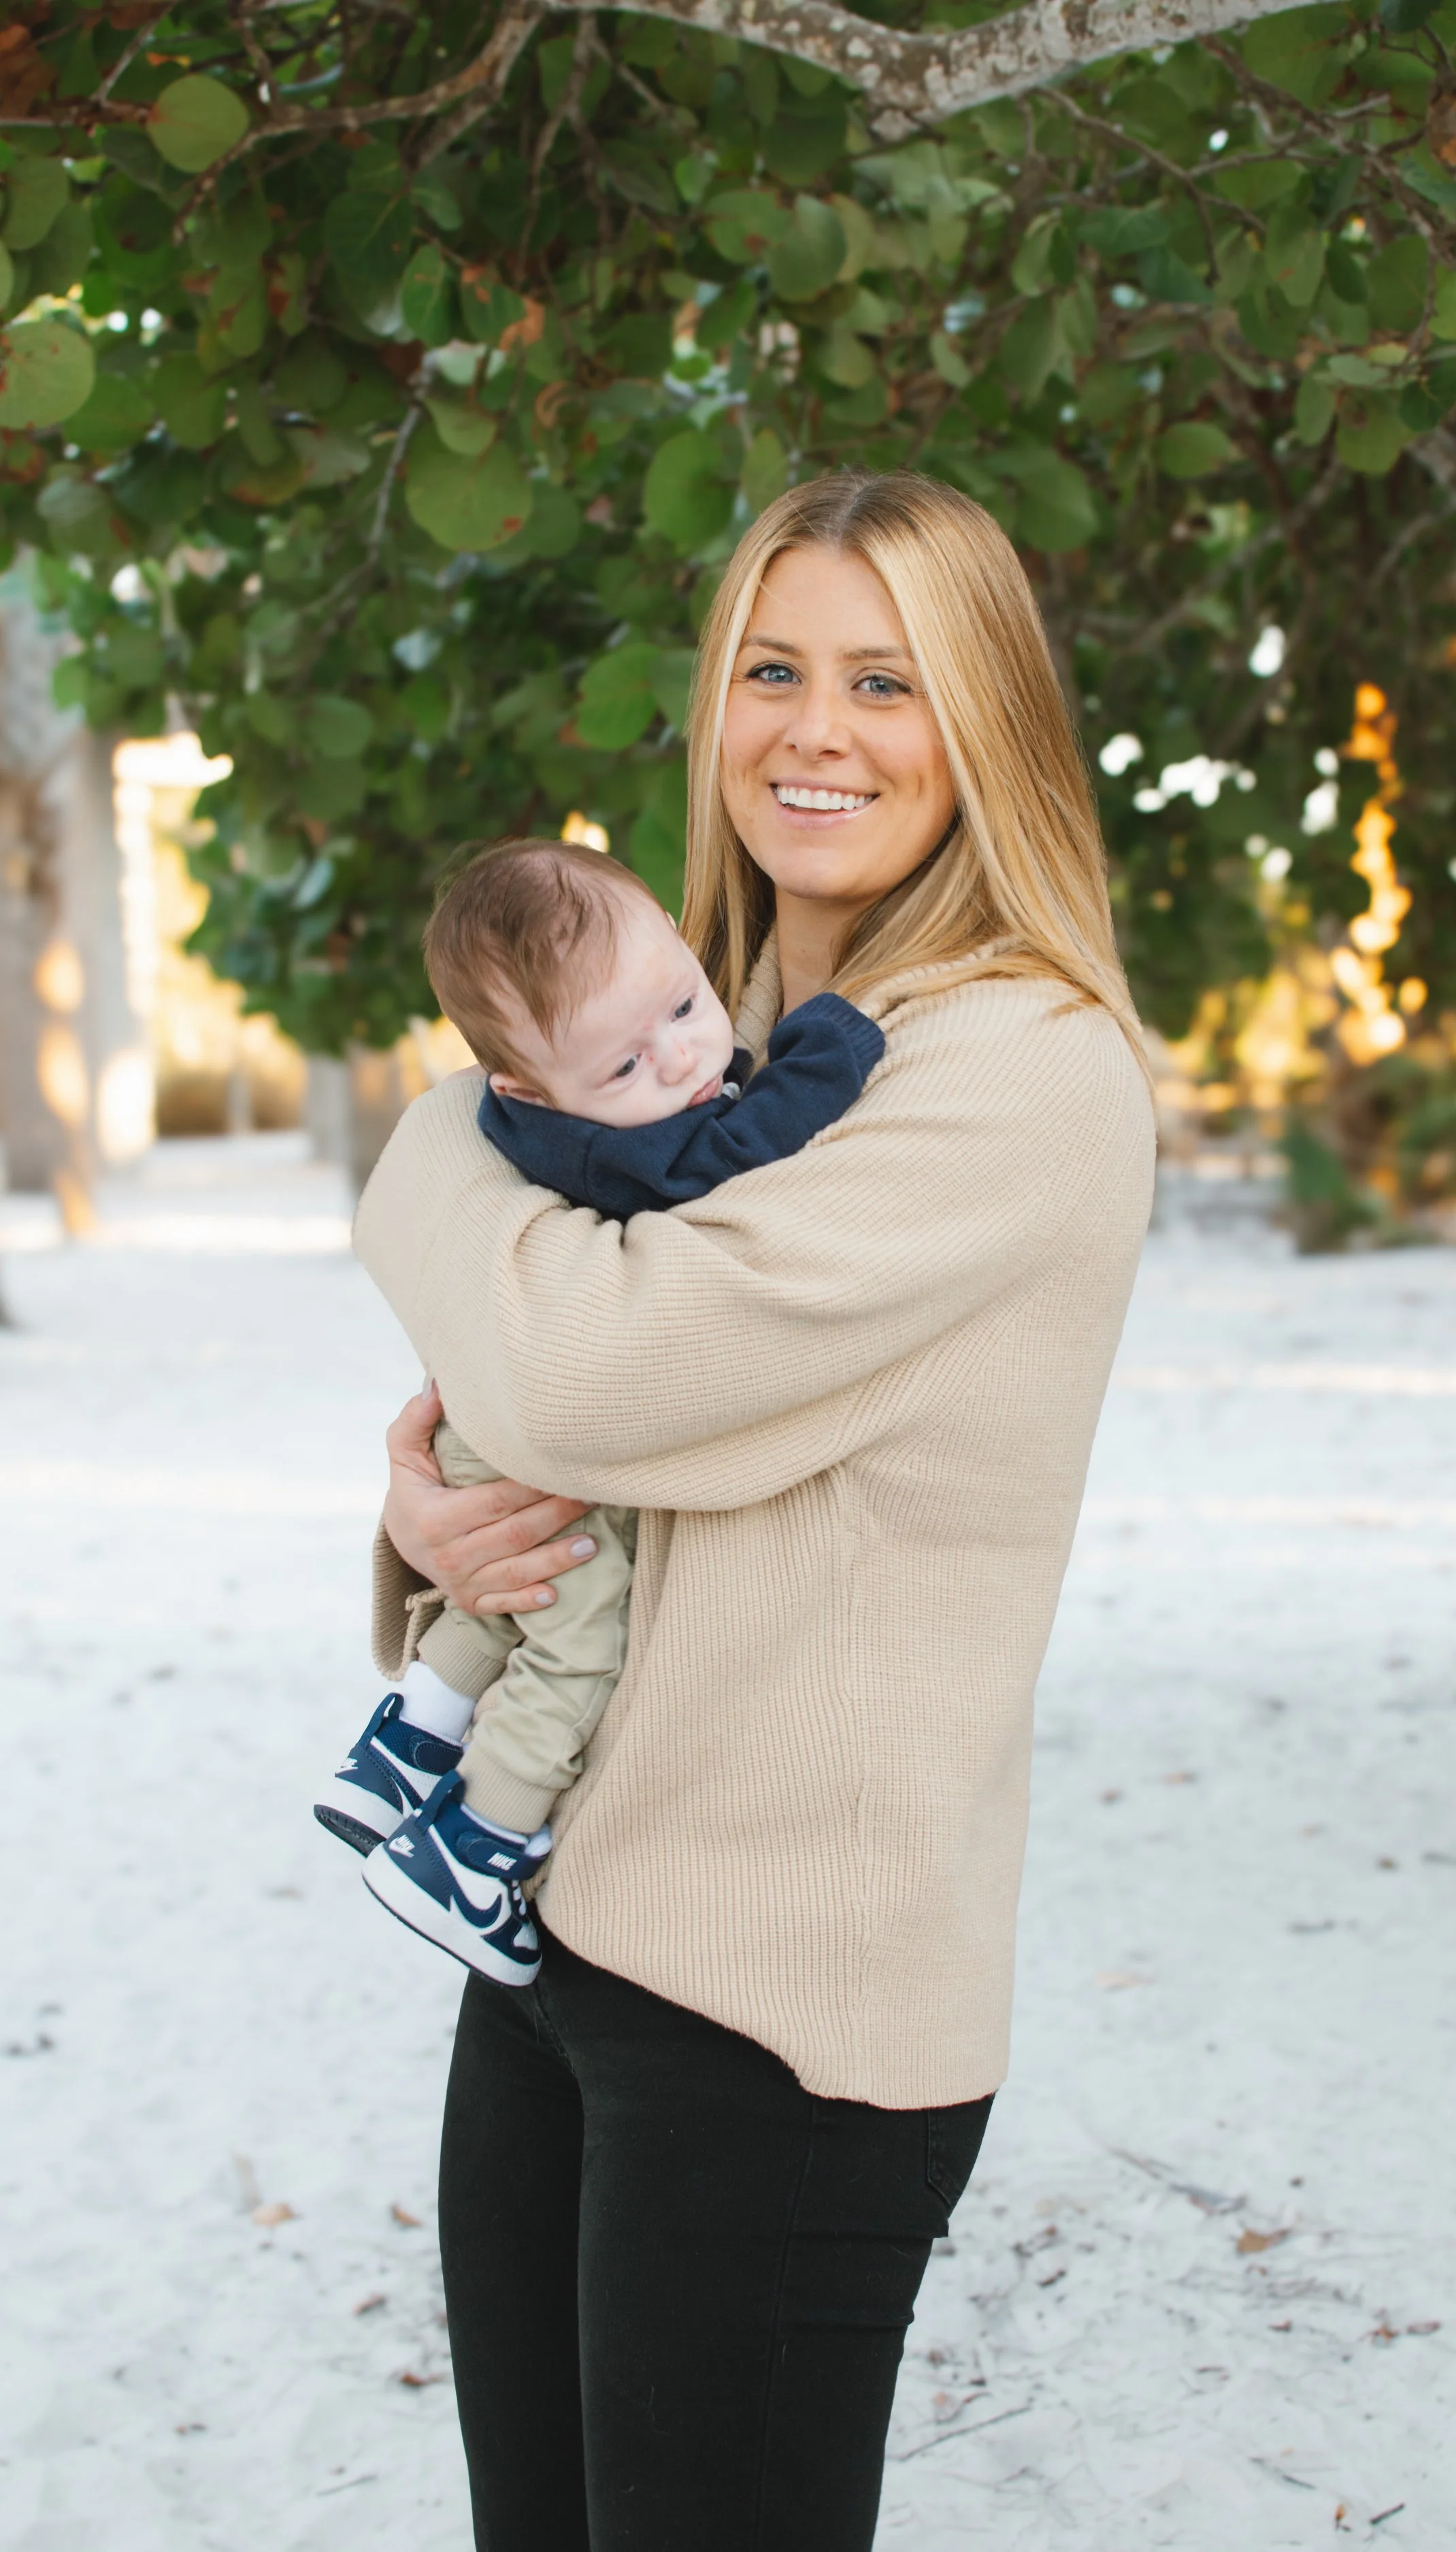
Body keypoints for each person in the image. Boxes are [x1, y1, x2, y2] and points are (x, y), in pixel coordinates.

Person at [354, 470, 1155, 2551]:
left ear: (986, 717)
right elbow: (550, 1415)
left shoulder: (1012, 1067)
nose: (819, 727)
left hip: (783, 2008)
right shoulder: (695, 1022)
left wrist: (435, 1139)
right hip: (562, 1940)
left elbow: (589, 1364)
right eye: (773, 668)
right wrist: (434, 1521)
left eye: (887, 677)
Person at [314, 834, 884, 1986]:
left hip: (489, 1420)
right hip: (529, 1422)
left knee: (529, 1591)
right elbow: (730, 1151)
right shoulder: (628, 1153)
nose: (679, 1064)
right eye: (624, 1067)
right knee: (579, 1635)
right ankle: (477, 1845)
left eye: (684, 1004)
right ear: (523, 1089)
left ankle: (407, 1741)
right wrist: (827, 1050)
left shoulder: (550, 1103)